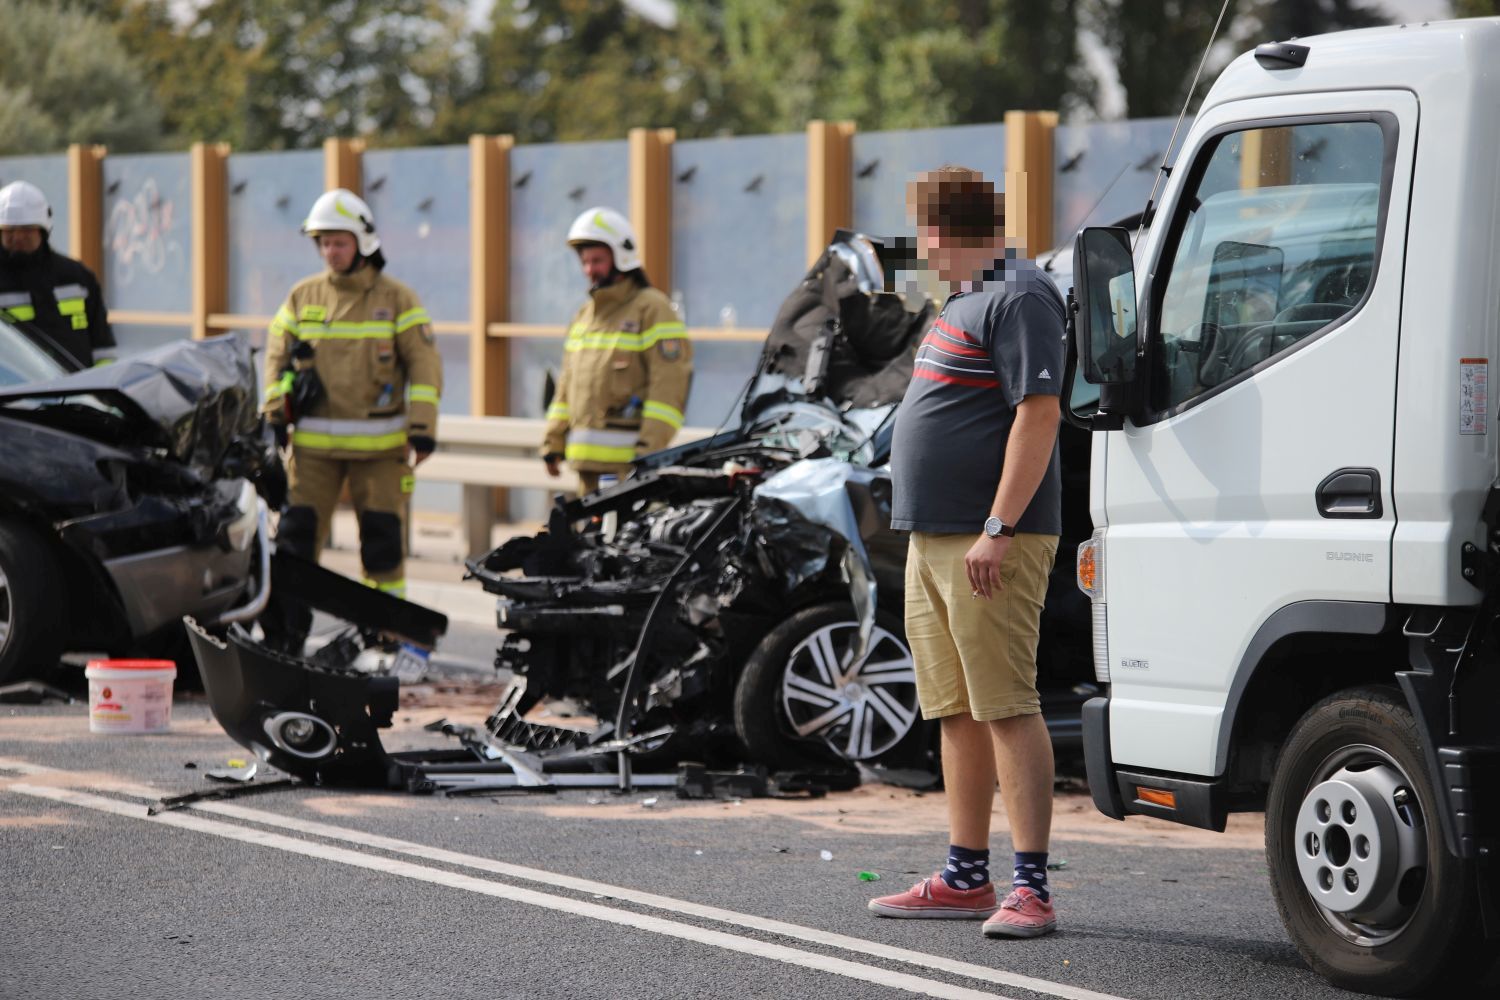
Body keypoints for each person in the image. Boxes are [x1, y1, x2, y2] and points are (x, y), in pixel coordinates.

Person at [868, 166, 1067, 939]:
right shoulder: (966, 295)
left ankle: (1033, 889)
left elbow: (1039, 415)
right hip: (935, 537)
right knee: (954, 709)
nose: (920, 251)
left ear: (948, 232)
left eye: (924, 236)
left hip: (989, 541)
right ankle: (964, 876)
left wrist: (999, 527)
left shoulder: (1021, 294)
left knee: (1007, 705)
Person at [261, 188, 442, 602]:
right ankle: (289, 631)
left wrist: (422, 428)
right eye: (323, 243)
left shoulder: (396, 299)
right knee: (297, 541)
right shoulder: (302, 296)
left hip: (378, 451)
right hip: (312, 452)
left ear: (363, 242)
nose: (330, 252)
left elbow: (424, 365)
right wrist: (274, 414)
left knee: (382, 544)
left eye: (339, 242)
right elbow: (275, 358)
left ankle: (385, 635)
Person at [541, 206, 692, 494]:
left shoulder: (652, 309)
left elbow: (668, 389)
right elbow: (565, 388)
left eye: (597, 260)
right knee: (584, 540)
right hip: (586, 471)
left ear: (621, 256)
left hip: (631, 474)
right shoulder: (585, 316)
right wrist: (554, 441)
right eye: (584, 262)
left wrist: (649, 451)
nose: (589, 270)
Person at [0, 180, 114, 367]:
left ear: (43, 231)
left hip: (79, 392)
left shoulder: (77, 277)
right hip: (16, 393)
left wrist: (102, 391)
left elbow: (103, 346)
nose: (18, 237)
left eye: (27, 229)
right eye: (9, 230)